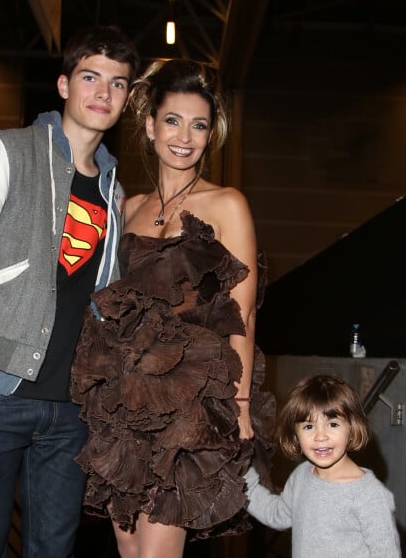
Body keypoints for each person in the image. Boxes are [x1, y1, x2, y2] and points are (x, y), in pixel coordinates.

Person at [0, 25, 139, 557]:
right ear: (65, 84)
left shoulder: (116, 193)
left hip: (72, 412)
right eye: (91, 77)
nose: (102, 93)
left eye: (117, 83)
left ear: (128, 99)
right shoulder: (6, 150)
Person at [71, 58, 276, 558]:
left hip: (191, 398)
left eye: (199, 124)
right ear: (149, 125)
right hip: (126, 397)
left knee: (157, 549)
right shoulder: (127, 207)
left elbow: (242, 313)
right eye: (173, 120)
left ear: (211, 134)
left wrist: (241, 402)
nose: (185, 136)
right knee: (127, 541)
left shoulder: (228, 204)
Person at [244, 374, 401, 558]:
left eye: (332, 424)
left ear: (352, 429)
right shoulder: (301, 475)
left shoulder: (369, 494)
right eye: (309, 426)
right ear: (295, 435)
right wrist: (241, 478)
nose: (320, 436)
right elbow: (277, 514)